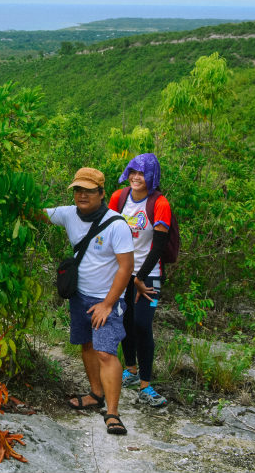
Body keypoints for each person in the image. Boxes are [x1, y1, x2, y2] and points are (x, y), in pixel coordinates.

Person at [45, 167, 134, 435]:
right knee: (87, 346)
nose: (82, 195)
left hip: (106, 299)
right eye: (78, 190)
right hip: (79, 296)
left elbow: (126, 267)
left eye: (89, 190)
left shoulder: (117, 224)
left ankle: (113, 413)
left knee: (106, 352)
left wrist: (108, 304)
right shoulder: (69, 214)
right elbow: (33, 212)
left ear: (102, 193)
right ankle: (96, 395)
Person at [109, 153, 172, 408]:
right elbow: (108, 231)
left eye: (143, 173)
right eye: (133, 171)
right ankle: (131, 371)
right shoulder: (118, 197)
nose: (137, 177)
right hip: (122, 272)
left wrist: (140, 278)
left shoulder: (160, 204)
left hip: (149, 275)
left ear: (152, 177)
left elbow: (158, 247)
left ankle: (146, 385)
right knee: (125, 321)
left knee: (143, 324)